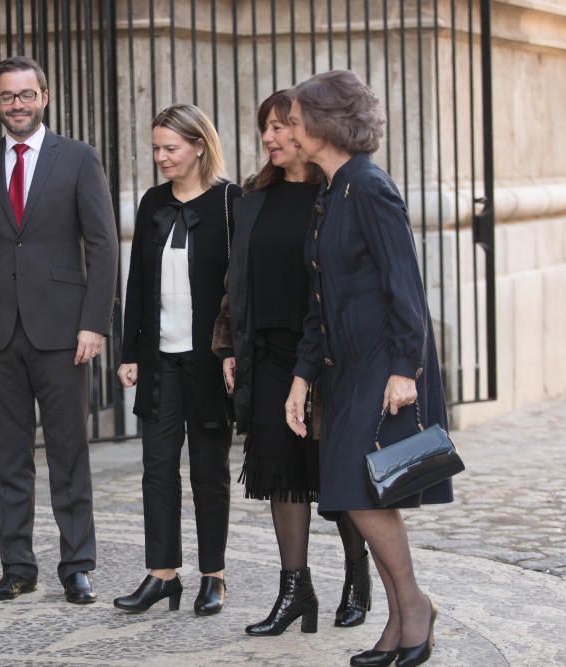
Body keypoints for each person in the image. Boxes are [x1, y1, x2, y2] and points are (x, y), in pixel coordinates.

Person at [284, 70, 453, 667]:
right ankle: (405, 617)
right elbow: (320, 302)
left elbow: (405, 285)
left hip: (383, 365)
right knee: (358, 493)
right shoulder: (332, 191)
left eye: (298, 120)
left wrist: (405, 368)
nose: (291, 131)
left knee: (365, 494)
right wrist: (302, 378)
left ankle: (413, 608)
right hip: (344, 367)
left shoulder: (370, 186)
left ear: (324, 124)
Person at [0, 56, 118, 605]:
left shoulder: (78, 158)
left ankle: (77, 565)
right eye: (6, 96)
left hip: (63, 332)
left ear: (44, 97)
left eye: (25, 94)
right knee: (8, 457)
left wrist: (95, 322)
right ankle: (17, 565)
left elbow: (103, 243)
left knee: (69, 453)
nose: (16, 105)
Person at [211, 90, 371, 637]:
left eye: (282, 127)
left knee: (335, 473)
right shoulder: (252, 197)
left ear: (307, 131)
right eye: (266, 128)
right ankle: (295, 587)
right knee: (280, 469)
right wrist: (228, 346)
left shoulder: (339, 193)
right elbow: (235, 282)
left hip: (328, 354)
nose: (271, 138)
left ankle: (356, 572)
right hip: (268, 352)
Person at [115, 104, 237, 616]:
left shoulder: (232, 202)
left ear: (199, 147)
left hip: (208, 361)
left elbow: (239, 287)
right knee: (157, 469)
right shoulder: (152, 203)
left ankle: (214, 575)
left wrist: (233, 352)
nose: (161, 157)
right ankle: (162, 574)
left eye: (171, 148)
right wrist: (129, 350)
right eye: (157, 148)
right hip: (160, 360)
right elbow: (138, 282)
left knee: (209, 470)